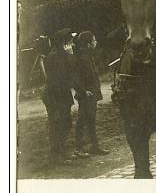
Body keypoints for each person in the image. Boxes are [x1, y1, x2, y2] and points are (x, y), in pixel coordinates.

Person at [43, 28, 77, 165]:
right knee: (58, 124)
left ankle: (60, 152)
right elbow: (65, 74)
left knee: (65, 122)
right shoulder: (55, 56)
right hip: (55, 96)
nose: (72, 43)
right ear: (64, 42)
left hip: (61, 94)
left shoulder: (60, 54)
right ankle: (57, 155)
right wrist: (70, 55)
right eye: (70, 41)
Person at [73, 31, 110, 157]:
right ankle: (79, 148)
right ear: (89, 44)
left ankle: (95, 146)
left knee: (91, 120)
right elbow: (76, 78)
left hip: (91, 94)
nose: (96, 42)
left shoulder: (88, 56)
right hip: (86, 96)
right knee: (82, 120)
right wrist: (83, 91)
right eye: (94, 40)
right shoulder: (83, 58)